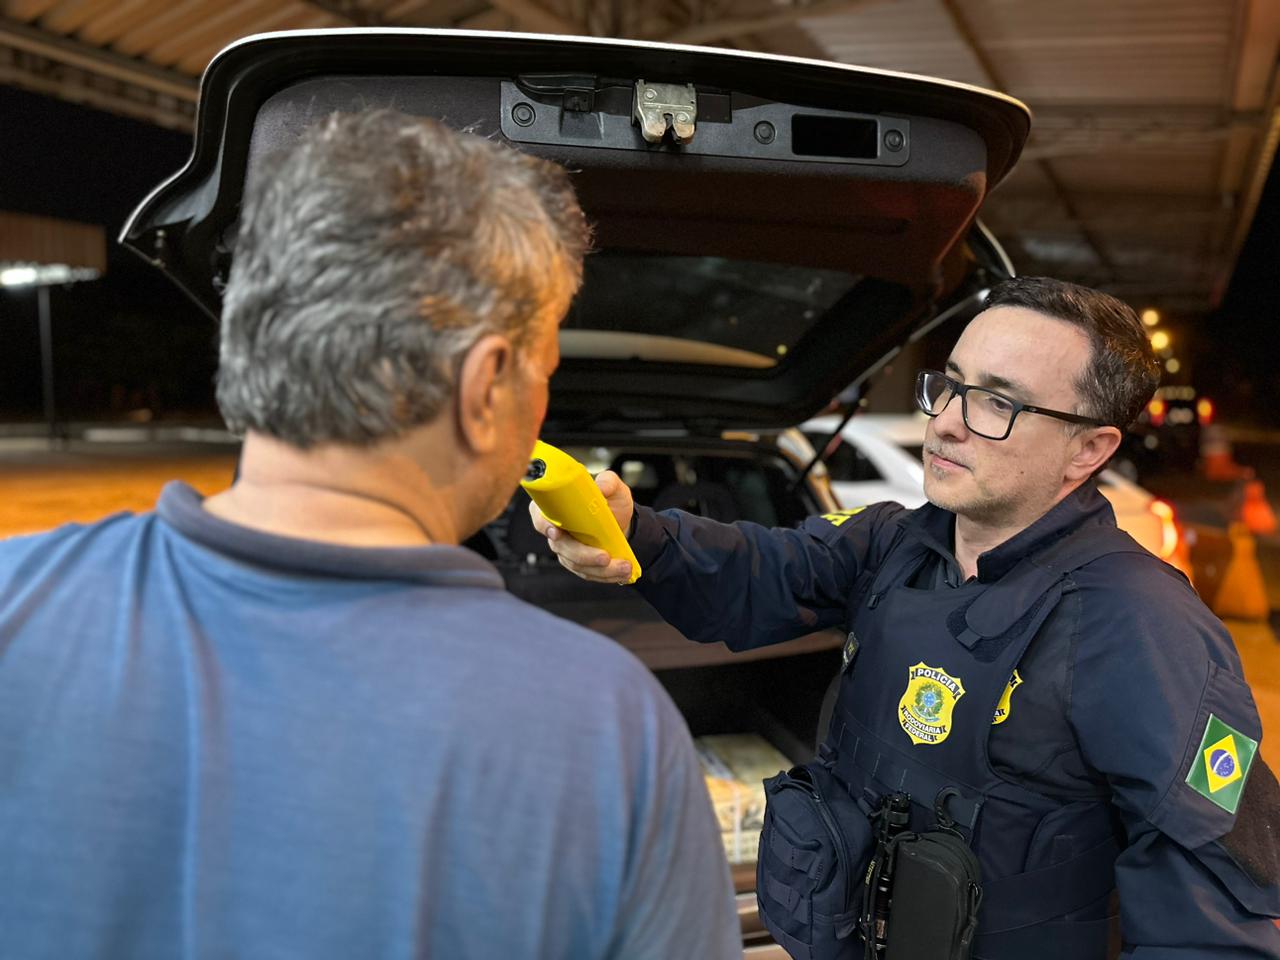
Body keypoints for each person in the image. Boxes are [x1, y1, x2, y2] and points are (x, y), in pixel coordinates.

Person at [0, 110, 740, 960]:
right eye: (545, 371)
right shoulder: (610, 734)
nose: (544, 403)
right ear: (487, 383)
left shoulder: (12, 605)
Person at [534, 276, 1280, 959]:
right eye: (950, 384)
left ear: (1089, 448)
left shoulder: (1142, 625)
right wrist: (637, 535)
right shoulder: (896, 539)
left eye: (998, 401)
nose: (948, 423)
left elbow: (1214, 916)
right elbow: (755, 571)